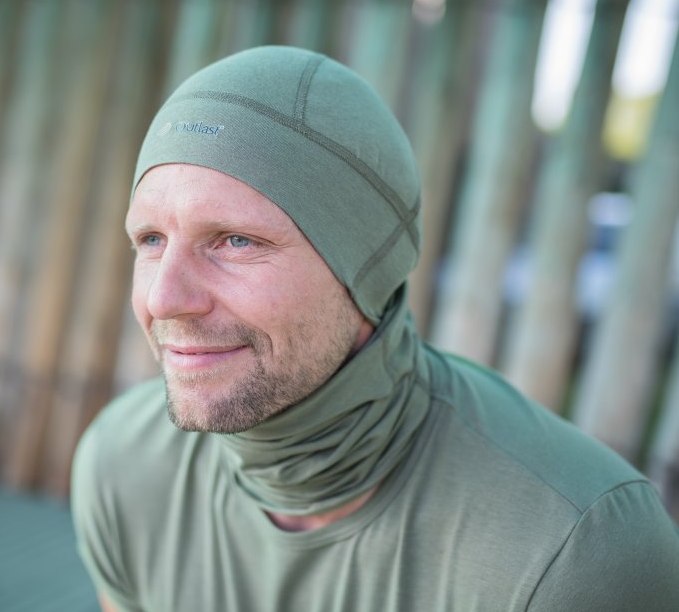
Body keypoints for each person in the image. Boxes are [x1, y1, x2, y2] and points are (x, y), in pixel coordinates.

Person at [70, 45, 679, 611]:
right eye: (151, 239)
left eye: (235, 241)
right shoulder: (124, 463)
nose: (164, 298)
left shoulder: (574, 548)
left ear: (363, 267)